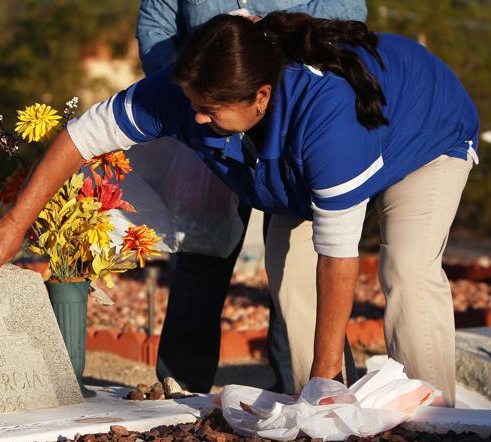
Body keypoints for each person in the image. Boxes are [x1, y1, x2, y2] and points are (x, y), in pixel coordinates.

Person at [0, 13, 478, 407]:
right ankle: (322, 410)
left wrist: (329, 368)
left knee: (406, 268)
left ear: (261, 97)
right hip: (302, 169)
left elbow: (338, 255)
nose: (196, 117)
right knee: (289, 280)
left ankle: (430, 418)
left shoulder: (326, 120)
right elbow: (81, 138)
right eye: (192, 102)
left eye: (210, 111)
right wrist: (16, 221)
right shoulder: (187, 92)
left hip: (425, 136)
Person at [136, 0, 368, 393]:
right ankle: (181, 386)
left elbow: (347, 16)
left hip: (285, 118)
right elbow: (154, 24)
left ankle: (311, 386)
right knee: (201, 253)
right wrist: (198, 82)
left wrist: (271, 52)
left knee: (297, 261)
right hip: (211, 120)